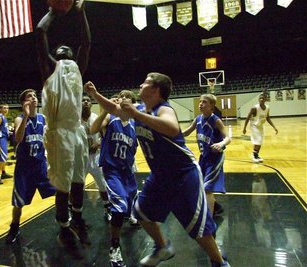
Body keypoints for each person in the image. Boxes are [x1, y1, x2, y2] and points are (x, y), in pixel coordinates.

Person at [84, 73, 230, 267]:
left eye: (145, 82)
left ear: (155, 90)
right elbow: (114, 109)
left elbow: (171, 128)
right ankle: (163, 246)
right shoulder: (141, 109)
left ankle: (219, 262)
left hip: (182, 174)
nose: (140, 84)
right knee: (141, 212)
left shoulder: (164, 109)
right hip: (160, 176)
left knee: (199, 230)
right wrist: (95, 94)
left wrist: (136, 114)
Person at [36, 0, 91, 258]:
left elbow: (86, 43)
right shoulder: (50, 68)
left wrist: (81, 14)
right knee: (63, 185)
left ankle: (77, 217)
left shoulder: (77, 69)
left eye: (68, 47)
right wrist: (52, 12)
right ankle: (63, 227)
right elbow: (40, 32)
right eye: (61, 48)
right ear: (57, 55)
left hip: (77, 130)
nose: (66, 47)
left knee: (79, 178)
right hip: (59, 132)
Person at [89, 90, 138, 267]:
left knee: (130, 202)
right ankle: (114, 248)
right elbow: (93, 129)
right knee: (119, 208)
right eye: (121, 97)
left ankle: (130, 216)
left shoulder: (134, 125)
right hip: (112, 171)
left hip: (128, 172)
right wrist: (105, 110)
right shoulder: (112, 119)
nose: (123, 99)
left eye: (128, 97)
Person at [5, 89, 55, 244]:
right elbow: (18, 138)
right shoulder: (20, 119)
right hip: (24, 168)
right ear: (23, 103)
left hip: (40, 165)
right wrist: (26, 115)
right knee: (18, 203)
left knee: (58, 191)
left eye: (34, 96)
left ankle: (66, 219)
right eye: (29, 96)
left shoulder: (43, 118)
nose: (33, 98)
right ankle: (14, 227)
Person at [182, 94, 231, 217]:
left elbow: (228, 138)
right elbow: (187, 132)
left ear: (212, 106)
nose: (200, 104)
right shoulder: (198, 119)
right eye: (200, 101)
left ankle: (207, 218)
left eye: (204, 102)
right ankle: (216, 208)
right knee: (200, 186)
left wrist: (221, 143)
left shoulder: (216, 120)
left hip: (215, 158)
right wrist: (172, 134)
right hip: (203, 158)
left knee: (207, 188)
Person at [81, 95, 111, 221]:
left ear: (91, 103)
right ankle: (74, 212)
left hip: (96, 156)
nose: (86, 102)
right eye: (83, 100)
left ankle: (107, 208)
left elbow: (104, 135)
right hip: (81, 158)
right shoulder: (74, 119)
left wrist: (98, 143)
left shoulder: (96, 118)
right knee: (76, 187)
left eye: (88, 100)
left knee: (102, 185)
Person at [242, 93, 278, 163]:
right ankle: (254, 156)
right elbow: (247, 118)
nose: (261, 99)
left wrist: (274, 127)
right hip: (254, 125)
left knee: (260, 141)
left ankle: (256, 155)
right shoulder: (254, 108)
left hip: (260, 125)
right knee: (258, 140)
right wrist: (244, 128)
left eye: (263, 98)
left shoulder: (267, 108)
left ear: (266, 99)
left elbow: (268, 118)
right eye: (260, 98)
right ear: (258, 99)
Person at [0, 104, 13, 184]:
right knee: (2, 158)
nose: (6, 109)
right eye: (4, 108)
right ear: (0, 109)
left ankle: (3, 172)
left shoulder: (4, 118)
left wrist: (9, 132)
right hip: (1, 140)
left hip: (4, 138)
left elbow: (3, 129)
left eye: (7, 108)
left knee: (4, 157)